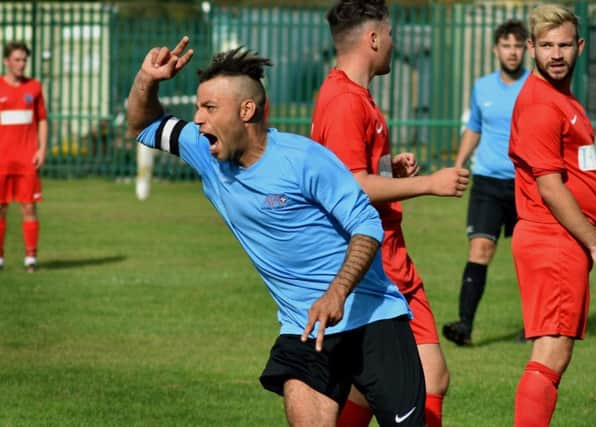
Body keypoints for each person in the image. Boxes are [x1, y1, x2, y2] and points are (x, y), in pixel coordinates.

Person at [127, 37, 427, 427]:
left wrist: (336, 292)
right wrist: (147, 79)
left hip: (375, 318)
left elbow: (366, 224)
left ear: (247, 110)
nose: (198, 119)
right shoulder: (206, 151)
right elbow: (143, 124)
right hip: (304, 325)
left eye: (210, 108)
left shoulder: (303, 160)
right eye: (198, 107)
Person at [310, 2, 470, 426]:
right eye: (392, 34)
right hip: (375, 261)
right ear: (374, 38)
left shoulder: (354, 96)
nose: (395, 44)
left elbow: (354, 174)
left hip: (386, 255)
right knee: (427, 379)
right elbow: (352, 185)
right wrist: (428, 184)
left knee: (376, 386)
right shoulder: (346, 100)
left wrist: (388, 171)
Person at [508, 5, 596, 426]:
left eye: (565, 45)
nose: (557, 54)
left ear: (580, 46)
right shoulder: (540, 103)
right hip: (553, 237)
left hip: (561, 239)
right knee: (551, 353)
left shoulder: (560, 96)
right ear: (532, 48)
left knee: (556, 352)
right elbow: (551, 187)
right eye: (548, 45)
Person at [442, 19, 529, 346]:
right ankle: (464, 325)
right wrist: (458, 163)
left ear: (526, 50)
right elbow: (475, 127)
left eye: (518, 46)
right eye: (506, 45)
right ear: (496, 49)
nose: (512, 52)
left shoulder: (534, 86)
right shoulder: (482, 87)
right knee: (480, 248)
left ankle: (533, 326)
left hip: (525, 184)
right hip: (487, 183)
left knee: (529, 256)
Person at [0, 41, 48, 272]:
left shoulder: (34, 87)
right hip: (2, 160)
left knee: (29, 206)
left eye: (24, 60)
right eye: (16, 60)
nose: (21, 64)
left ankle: (31, 258)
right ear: (6, 61)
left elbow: (42, 120)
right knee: (0, 207)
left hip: (27, 159)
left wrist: (41, 149)